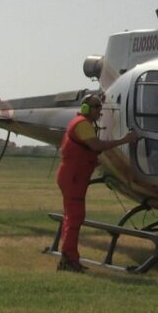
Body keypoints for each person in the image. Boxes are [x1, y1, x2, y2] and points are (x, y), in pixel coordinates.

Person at [56, 94, 138, 273]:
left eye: (100, 107)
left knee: (72, 216)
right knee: (75, 217)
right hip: (73, 178)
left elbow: (86, 151)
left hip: (73, 176)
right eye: (95, 107)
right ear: (85, 108)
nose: (99, 111)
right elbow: (96, 146)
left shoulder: (82, 124)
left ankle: (68, 257)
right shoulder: (82, 125)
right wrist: (125, 140)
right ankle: (69, 258)